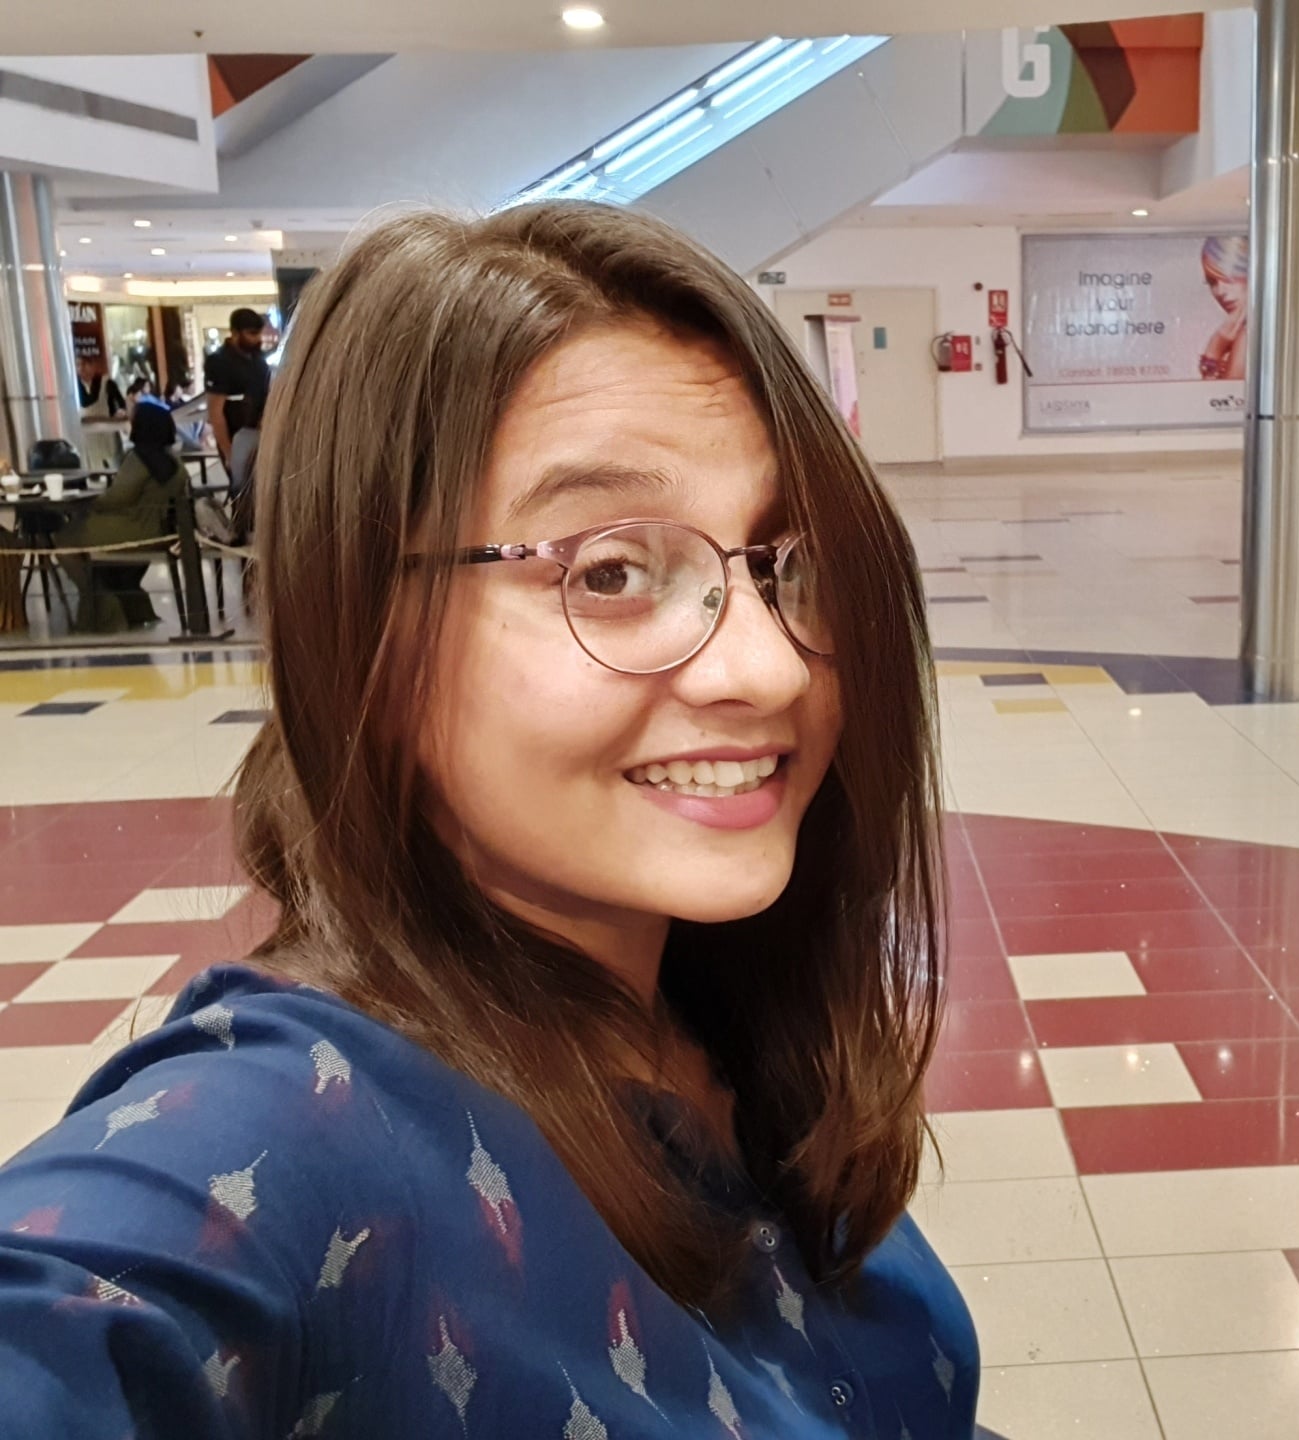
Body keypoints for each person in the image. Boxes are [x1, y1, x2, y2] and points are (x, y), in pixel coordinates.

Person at [0, 204, 974, 1436]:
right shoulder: (295, 1135)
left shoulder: (715, 1004)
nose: (770, 668)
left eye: (789, 562)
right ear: (368, 631)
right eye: (610, 572)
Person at [56, 399, 186, 631]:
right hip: (159, 532)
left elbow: (118, 498)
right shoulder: (176, 464)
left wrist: (89, 502)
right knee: (101, 554)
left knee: (65, 539)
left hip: (131, 529)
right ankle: (128, 606)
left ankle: (99, 598)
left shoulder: (139, 459)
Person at [202, 305, 271, 519]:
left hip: (261, 433)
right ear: (234, 333)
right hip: (237, 437)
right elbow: (216, 412)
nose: (257, 338)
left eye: (259, 333)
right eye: (251, 333)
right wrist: (228, 452)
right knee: (242, 493)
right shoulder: (219, 362)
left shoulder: (257, 359)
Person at [1197, 233, 1251, 382]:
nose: (1220, 291)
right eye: (1212, 282)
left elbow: (1223, 394)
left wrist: (1216, 345)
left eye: (1229, 279)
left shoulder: (1248, 336)